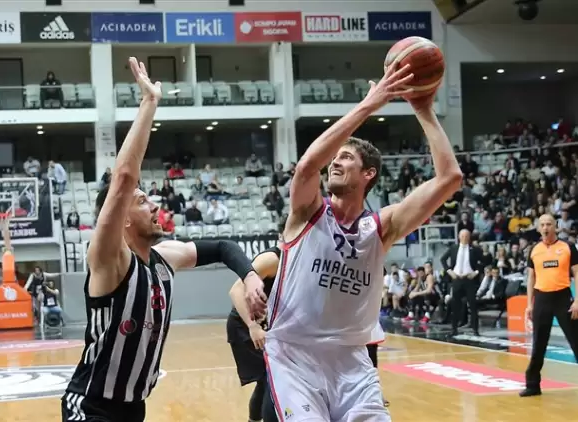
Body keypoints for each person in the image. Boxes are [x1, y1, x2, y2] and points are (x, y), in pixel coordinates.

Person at [244, 63, 463, 421]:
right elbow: (306, 167)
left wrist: (423, 109)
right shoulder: (308, 211)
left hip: (352, 359)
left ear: (369, 174)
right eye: (336, 156)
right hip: (295, 355)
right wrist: (369, 104)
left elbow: (450, 177)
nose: (336, 162)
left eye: (346, 157)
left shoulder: (381, 226)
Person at [61, 57, 265, 422]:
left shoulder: (165, 256)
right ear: (122, 215)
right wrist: (149, 103)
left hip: (134, 408)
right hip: (90, 406)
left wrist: (250, 275)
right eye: (142, 201)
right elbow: (123, 178)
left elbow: (223, 248)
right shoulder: (110, 259)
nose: (154, 205)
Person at [226, 217, 286, 422]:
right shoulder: (273, 259)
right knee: (272, 378)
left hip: (261, 324)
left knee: (266, 380)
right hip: (244, 325)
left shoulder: (294, 260)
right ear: (283, 235)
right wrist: (252, 326)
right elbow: (235, 290)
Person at [520, 214, 578, 397]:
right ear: (538, 228)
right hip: (542, 299)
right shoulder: (534, 250)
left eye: (549, 224)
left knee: (576, 340)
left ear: (556, 227)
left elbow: (577, 274)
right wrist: (529, 305)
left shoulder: (567, 247)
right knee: (538, 344)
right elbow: (531, 278)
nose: (545, 228)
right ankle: (532, 385)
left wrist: (577, 300)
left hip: (563, 298)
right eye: (542, 225)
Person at [440, 229, 483, 336]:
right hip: (457, 279)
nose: (464, 238)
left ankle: (475, 330)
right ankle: (454, 329)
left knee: (473, 305)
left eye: (466, 236)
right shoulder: (453, 248)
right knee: (455, 305)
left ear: (469, 237)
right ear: (459, 237)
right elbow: (443, 259)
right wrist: (450, 271)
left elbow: (484, 261)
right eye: (462, 236)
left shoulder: (475, 249)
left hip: (469, 280)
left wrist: (476, 272)